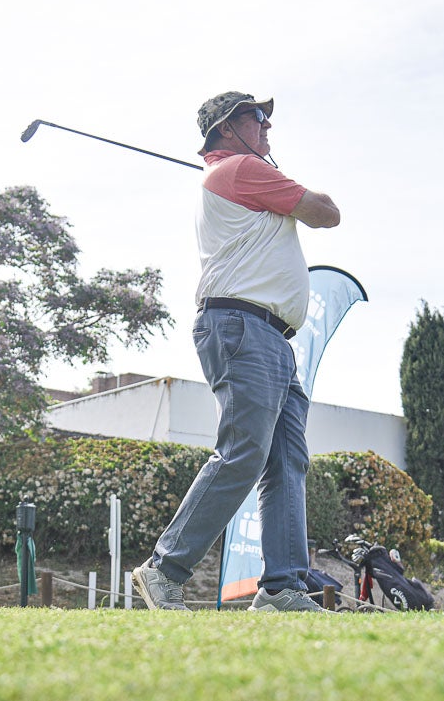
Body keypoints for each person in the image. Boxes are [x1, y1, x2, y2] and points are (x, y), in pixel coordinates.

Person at [131, 91, 340, 612]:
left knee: (286, 459)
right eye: (257, 117)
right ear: (227, 128)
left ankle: (281, 589)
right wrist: (290, 182)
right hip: (242, 325)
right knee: (245, 452)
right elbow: (326, 213)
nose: (268, 125)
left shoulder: (239, 172)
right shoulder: (243, 169)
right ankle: (165, 568)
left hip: (267, 334)